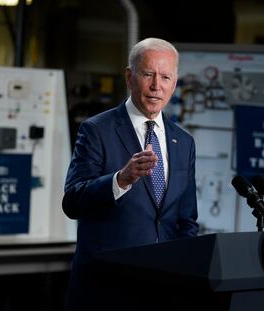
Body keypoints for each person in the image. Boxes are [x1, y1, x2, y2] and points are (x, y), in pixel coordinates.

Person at [62, 37, 199, 310]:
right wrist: (120, 180)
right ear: (129, 76)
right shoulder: (97, 130)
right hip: (106, 289)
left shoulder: (184, 142)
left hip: (161, 290)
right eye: (148, 74)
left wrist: (184, 278)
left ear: (175, 82)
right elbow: (72, 202)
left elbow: (187, 221)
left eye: (165, 77)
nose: (156, 86)